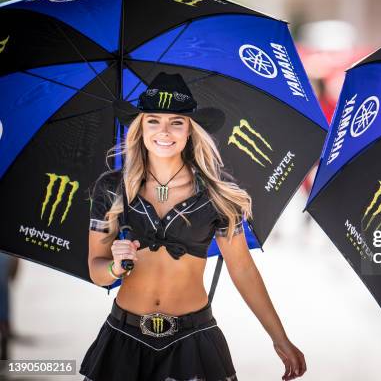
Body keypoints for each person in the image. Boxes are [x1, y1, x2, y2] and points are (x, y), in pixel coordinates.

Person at [79, 73, 306, 381]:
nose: (164, 131)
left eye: (176, 122)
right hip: (124, 338)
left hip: (193, 340)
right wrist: (115, 268)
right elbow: (96, 269)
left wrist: (279, 337)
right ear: (139, 128)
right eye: (153, 121)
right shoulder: (112, 188)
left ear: (190, 131)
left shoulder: (217, 191)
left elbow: (242, 268)